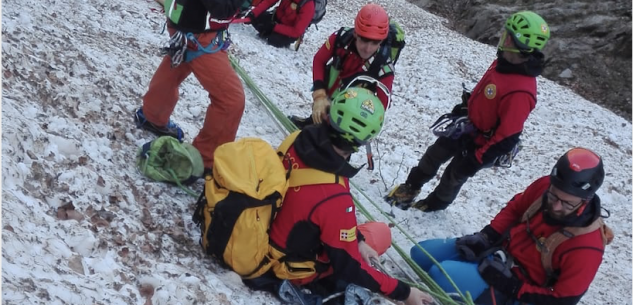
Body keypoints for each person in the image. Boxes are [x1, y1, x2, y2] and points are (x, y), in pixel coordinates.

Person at [244, 88, 434, 305]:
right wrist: (404, 292)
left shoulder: (297, 139)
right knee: (381, 234)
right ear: (363, 142)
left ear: (328, 116)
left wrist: (358, 241)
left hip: (266, 228)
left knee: (370, 237)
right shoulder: (334, 197)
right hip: (291, 267)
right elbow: (351, 267)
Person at [386, 11, 551, 212]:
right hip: (467, 126)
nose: (503, 40)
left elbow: (508, 136)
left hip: (481, 144)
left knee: (453, 176)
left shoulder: (521, 91)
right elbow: (487, 91)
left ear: (522, 48)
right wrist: (467, 105)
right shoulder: (503, 62)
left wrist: (477, 160)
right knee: (433, 155)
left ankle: (434, 206)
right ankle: (411, 187)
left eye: (508, 37)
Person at [410, 148, 609, 305]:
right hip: (498, 255)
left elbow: (564, 299)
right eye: (554, 196)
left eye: (567, 203)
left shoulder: (586, 245)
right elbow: (515, 209)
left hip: (520, 286)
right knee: (419, 254)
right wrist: (486, 236)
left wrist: (513, 288)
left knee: (440, 275)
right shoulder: (545, 187)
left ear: (586, 199)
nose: (556, 205)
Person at [134, 0, 246, 170]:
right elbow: (221, 9)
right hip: (197, 32)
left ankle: (153, 115)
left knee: (180, 60)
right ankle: (205, 158)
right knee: (231, 100)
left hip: (185, 21)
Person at [290, 3, 396, 129]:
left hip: (350, 121)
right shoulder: (341, 38)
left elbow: (382, 106)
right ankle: (315, 123)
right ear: (356, 34)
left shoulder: (384, 67)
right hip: (329, 96)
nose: (368, 49)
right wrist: (319, 95)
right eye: (364, 40)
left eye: (375, 43)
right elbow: (319, 60)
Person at [247, 0, 315, 48]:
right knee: (257, 19)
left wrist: (274, 27)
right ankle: (267, 31)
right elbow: (268, 1)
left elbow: (296, 31)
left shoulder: (308, 5)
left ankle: (273, 34)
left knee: (273, 40)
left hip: (289, 32)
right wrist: (253, 13)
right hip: (275, 19)